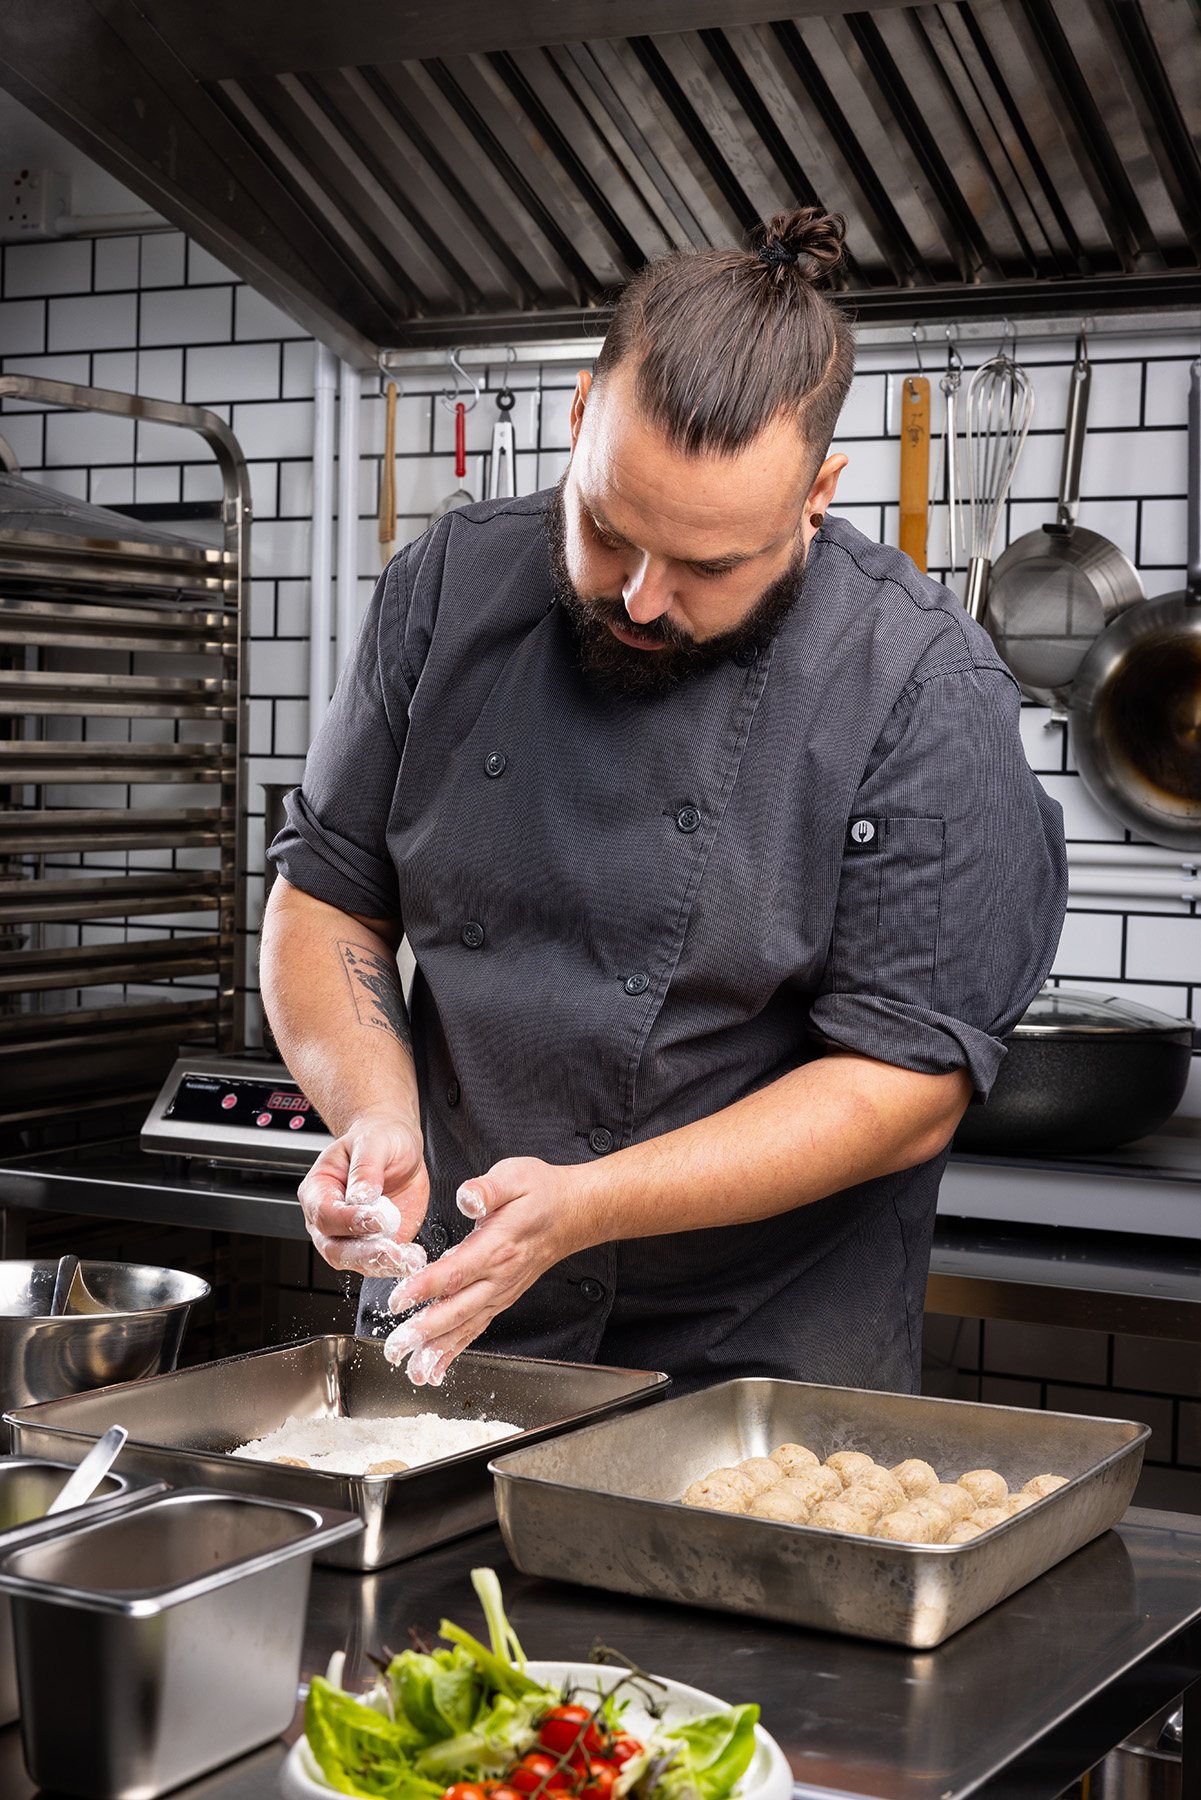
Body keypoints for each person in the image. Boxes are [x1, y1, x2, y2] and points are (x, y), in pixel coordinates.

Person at [261, 206, 1066, 1396]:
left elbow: (902, 1088)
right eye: (605, 529)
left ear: (816, 495)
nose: (639, 598)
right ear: (581, 414)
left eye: (706, 567)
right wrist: (376, 1122)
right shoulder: (446, 588)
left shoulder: (916, 684)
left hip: (751, 1370)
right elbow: (325, 900)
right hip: (456, 1316)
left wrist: (587, 1207)